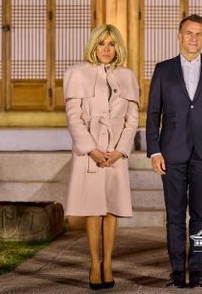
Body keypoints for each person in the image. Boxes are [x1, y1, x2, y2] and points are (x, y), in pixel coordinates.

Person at [146, 14, 202, 289]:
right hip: (171, 152)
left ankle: (196, 270)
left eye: (199, 34)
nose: (193, 38)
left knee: (200, 215)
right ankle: (176, 271)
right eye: (189, 33)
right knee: (174, 215)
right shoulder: (163, 69)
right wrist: (154, 151)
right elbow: (153, 114)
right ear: (179, 36)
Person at [64, 24, 140, 291]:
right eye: (101, 43)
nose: (106, 49)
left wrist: (120, 150)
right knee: (93, 209)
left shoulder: (127, 76)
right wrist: (91, 149)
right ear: (93, 46)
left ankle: (108, 263)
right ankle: (94, 264)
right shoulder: (77, 73)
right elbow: (73, 118)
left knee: (111, 209)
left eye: (111, 44)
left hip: (116, 152)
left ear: (118, 48)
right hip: (90, 152)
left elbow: (132, 119)